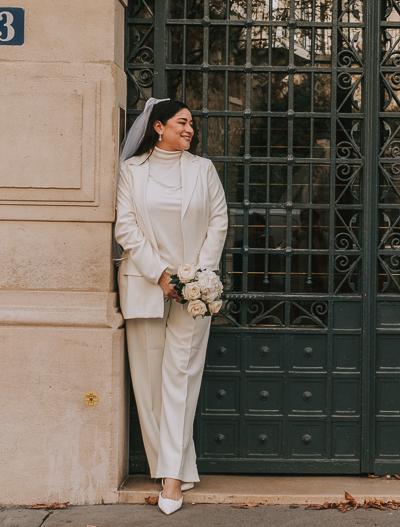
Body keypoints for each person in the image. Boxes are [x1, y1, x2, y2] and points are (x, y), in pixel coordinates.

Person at [115, 98, 229, 515]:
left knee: (181, 377)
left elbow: (219, 220)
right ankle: (168, 464)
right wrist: (160, 274)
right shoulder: (131, 171)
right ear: (158, 126)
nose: (190, 130)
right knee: (148, 384)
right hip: (145, 284)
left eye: (192, 125)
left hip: (194, 291)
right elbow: (125, 225)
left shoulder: (203, 170)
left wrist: (197, 276)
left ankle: (173, 478)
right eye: (182, 122)